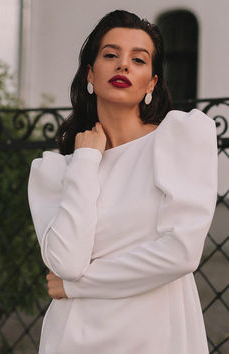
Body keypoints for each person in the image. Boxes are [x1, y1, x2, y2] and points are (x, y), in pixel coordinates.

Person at [28, 9, 218, 354]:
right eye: (110, 55)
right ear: (90, 73)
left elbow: (181, 253)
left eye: (139, 59)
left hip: (157, 336)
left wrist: (76, 286)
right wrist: (86, 161)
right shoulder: (55, 170)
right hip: (73, 338)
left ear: (152, 82)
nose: (123, 65)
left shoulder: (180, 136)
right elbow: (67, 263)